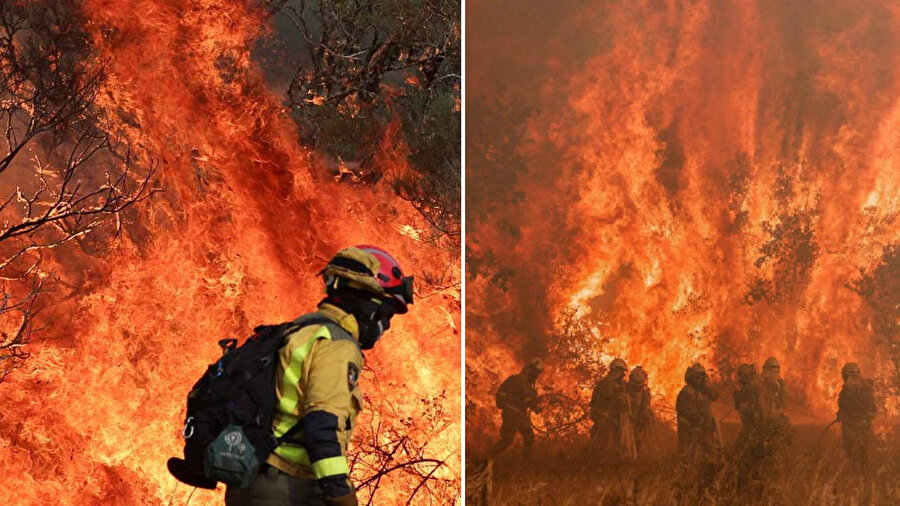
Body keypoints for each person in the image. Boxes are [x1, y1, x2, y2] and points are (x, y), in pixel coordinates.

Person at [225, 246, 413, 506]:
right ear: (369, 304)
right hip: (286, 488)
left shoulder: (299, 330)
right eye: (387, 313)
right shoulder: (337, 345)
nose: (386, 325)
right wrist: (339, 492)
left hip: (251, 481)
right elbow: (322, 425)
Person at [489, 359, 544, 458]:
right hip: (512, 413)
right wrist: (535, 407)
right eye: (536, 372)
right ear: (530, 370)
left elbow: (527, 398)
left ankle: (525, 464)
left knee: (523, 438)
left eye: (538, 373)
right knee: (511, 440)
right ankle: (487, 459)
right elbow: (525, 398)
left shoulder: (526, 382)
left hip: (517, 414)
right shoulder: (520, 380)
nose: (536, 375)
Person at [676, 363, 720, 460]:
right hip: (688, 428)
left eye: (701, 378)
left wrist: (708, 387)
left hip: (703, 427)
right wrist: (700, 420)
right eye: (697, 378)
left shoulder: (703, 390)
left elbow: (715, 396)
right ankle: (684, 472)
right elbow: (686, 410)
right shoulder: (687, 392)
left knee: (710, 451)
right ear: (691, 378)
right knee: (687, 454)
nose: (699, 381)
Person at [837, 362, 876, 471]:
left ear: (846, 374)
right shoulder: (866, 388)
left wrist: (842, 414)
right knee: (864, 449)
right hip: (864, 424)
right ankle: (864, 472)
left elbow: (844, 405)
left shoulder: (847, 388)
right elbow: (872, 407)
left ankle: (857, 472)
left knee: (852, 449)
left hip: (851, 424)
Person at [590, 358, 632, 458]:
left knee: (615, 442)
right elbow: (603, 401)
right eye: (621, 371)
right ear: (614, 370)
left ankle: (610, 460)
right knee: (600, 442)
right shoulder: (606, 383)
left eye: (623, 372)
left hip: (611, 418)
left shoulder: (618, 384)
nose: (622, 374)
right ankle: (593, 461)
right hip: (603, 416)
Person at [626, 366, 652, 452]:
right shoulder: (624, 390)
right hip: (624, 424)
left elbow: (645, 409)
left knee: (637, 445)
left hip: (637, 424)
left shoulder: (645, 394)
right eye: (634, 387)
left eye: (638, 387)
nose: (636, 389)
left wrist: (646, 416)